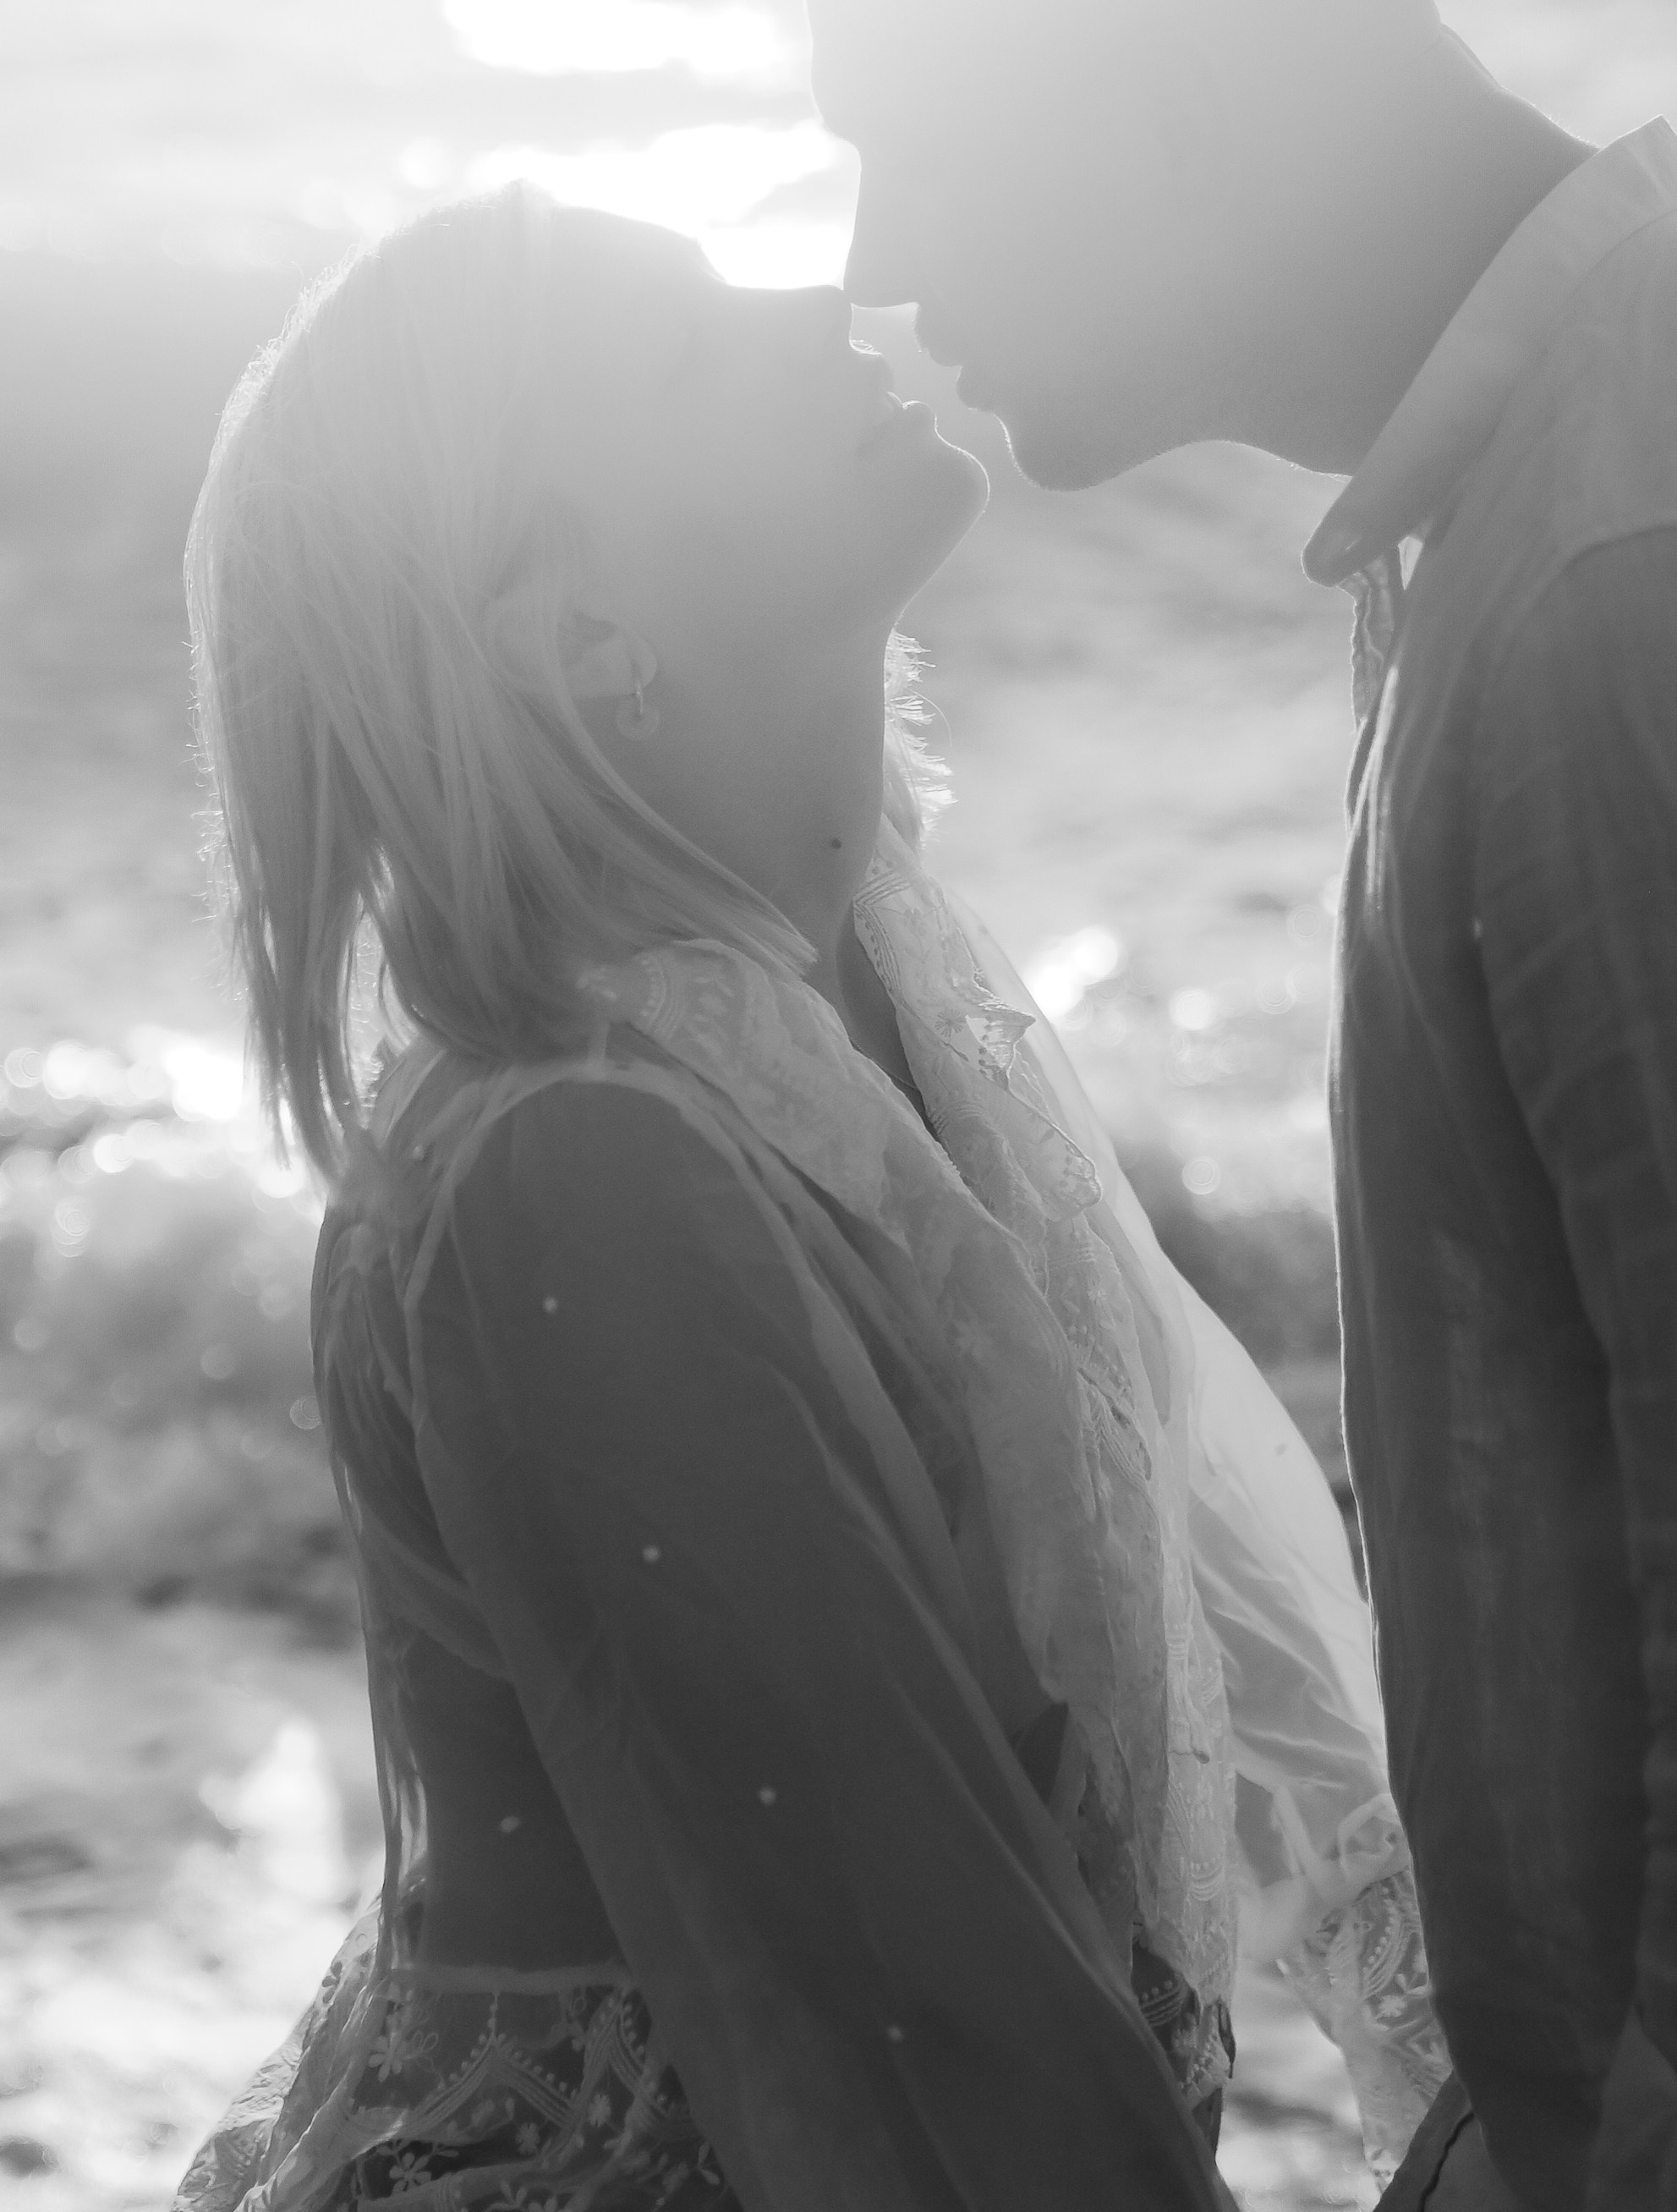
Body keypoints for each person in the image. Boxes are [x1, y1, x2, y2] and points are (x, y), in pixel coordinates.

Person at [173, 186, 1444, 2211]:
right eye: (689, 346)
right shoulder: (580, 1174)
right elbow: (924, 2021)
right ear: (576, 630)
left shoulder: (846, 1004)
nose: (823, 296)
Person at [804, 0, 1677, 2206]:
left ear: (1168, 99)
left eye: (917, 142)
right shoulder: (1506, 505)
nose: (877, 267)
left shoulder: (1613, 589)